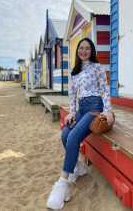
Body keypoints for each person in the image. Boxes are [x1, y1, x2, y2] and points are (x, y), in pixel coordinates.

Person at [46, 38, 115, 210]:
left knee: (73, 138)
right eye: (81, 48)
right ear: (77, 51)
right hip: (81, 108)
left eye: (87, 48)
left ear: (91, 50)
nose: (84, 51)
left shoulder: (97, 67)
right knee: (65, 134)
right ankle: (79, 167)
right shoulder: (74, 72)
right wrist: (71, 112)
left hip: (95, 106)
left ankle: (63, 184)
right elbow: (72, 95)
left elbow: (104, 89)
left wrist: (107, 110)